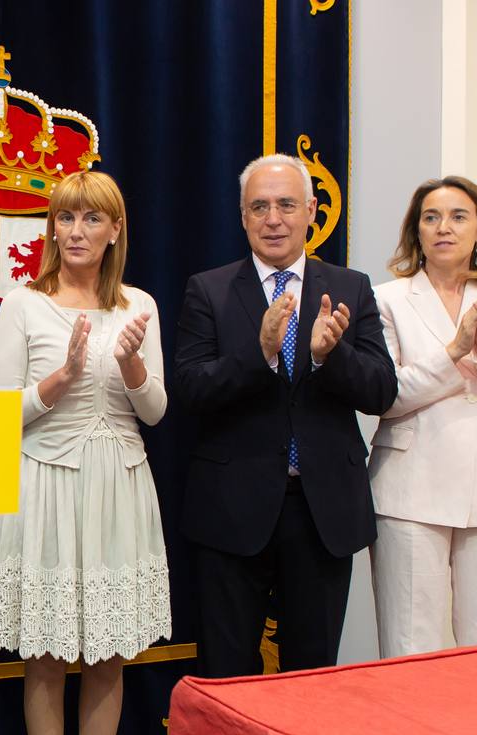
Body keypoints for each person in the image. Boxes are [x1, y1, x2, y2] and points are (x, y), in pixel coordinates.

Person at [0, 170, 170, 735]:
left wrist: (128, 365)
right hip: (45, 488)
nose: (75, 232)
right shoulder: (23, 305)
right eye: (64, 219)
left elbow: (154, 411)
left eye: (90, 220)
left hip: (119, 486)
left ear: (113, 231)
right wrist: (53, 385)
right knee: (45, 657)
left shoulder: (139, 306)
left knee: (108, 657)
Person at [175, 153, 397, 679]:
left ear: (311, 212)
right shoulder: (209, 290)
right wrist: (262, 354)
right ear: (243, 217)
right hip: (232, 510)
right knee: (227, 674)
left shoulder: (351, 287)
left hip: (322, 511)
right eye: (259, 207)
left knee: (313, 676)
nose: (273, 218)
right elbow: (190, 390)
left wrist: (328, 356)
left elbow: (382, 392)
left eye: (286, 205)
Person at [369, 176, 477, 657]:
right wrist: (454, 352)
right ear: (417, 231)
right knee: (410, 646)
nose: (443, 227)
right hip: (410, 490)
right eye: (431, 217)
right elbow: (387, 395)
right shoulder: (387, 298)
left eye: (458, 216)